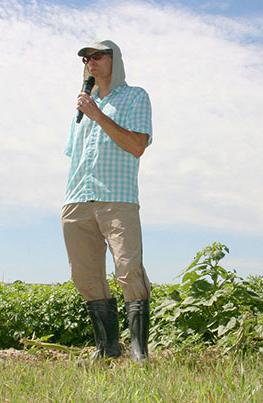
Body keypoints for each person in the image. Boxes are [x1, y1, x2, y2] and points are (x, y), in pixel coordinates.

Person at [61, 39, 153, 363]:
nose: (90, 61)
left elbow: (138, 145)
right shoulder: (82, 105)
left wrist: (97, 114)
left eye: (97, 55)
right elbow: (74, 156)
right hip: (77, 199)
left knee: (128, 269)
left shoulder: (135, 97)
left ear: (116, 60)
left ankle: (139, 351)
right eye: (86, 57)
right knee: (85, 276)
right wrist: (90, 110)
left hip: (117, 198)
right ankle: (108, 349)